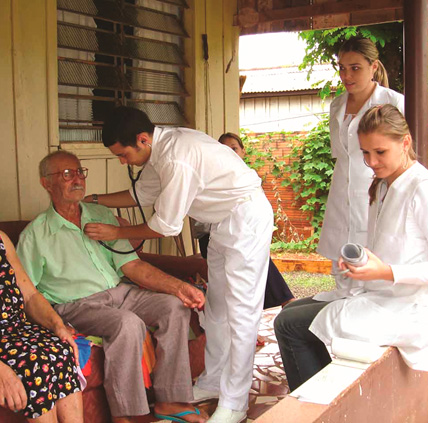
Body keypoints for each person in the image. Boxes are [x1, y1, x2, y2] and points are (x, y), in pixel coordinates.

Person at [83, 107, 274, 423]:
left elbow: (165, 225)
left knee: (241, 312)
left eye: (123, 154)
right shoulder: (159, 152)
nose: (121, 161)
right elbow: (140, 194)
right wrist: (94, 200)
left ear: (142, 139)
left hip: (246, 219)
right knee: (216, 310)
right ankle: (214, 381)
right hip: (223, 224)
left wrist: (116, 232)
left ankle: (235, 403)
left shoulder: (176, 157)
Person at [16, 151, 207, 423]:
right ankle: (127, 415)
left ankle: (170, 401)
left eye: (80, 172)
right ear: (46, 183)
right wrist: (53, 323)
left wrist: (179, 287)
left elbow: (132, 266)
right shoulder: (36, 235)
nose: (77, 179)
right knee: (127, 324)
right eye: (67, 174)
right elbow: (27, 293)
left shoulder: (101, 214)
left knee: (173, 306)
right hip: (76, 305)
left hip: (121, 292)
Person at [274, 104, 428, 392]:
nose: (371, 162)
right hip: (377, 295)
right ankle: (321, 398)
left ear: (405, 142)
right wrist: (363, 262)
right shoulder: (383, 186)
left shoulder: (421, 188)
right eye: (365, 153)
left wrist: (386, 272)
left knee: (289, 325)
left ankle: (317, 405)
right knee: (289, 313)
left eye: (380, 152)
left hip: (407, 308)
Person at [317, 37, 404, 291]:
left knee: (370, 266)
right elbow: (341, 155)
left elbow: (401, 155)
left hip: (375, 191)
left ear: (373, 67)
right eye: (342, 68)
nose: (346, 75)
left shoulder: (393, 102)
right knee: (341, 268)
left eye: (355, 67)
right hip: (340, 195)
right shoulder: (337, 105)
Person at [0, 230, 83, 422]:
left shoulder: (2, 239)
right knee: (34, 365)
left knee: (62, 349)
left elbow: (30, 295)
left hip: (15, 330)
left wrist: (58, 325)